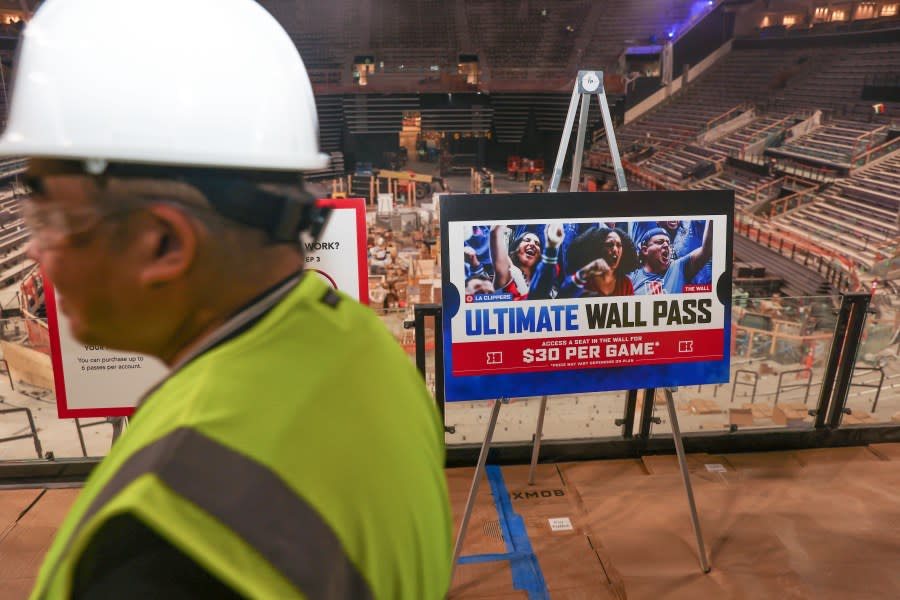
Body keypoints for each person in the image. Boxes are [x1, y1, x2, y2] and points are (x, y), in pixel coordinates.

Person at [2, 1, 452, 598]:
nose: (35, 249)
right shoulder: (372, 353)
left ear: (164, 242)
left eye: (55, 214)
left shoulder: (156, 541)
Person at [630, 221, 714, 295]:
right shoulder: (631, 278)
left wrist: (712, 218)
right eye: (660, 242)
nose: (666, 245)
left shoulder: (678, 267)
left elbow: (706, 250)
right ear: (645, 250)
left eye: (668, 243)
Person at [559, 226, 640, 298]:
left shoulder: (625, 283)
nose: (615, 249)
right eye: (609, 244)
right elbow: (562, 298)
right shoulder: (584, 277)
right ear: (598, 248)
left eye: (619, 245)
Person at [490, 225, 542, 300]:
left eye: (537, 244)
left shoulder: (542, 281)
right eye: (527, 240)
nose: (532, 244)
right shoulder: (508, 274)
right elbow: (495, 232)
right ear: (516, 248)